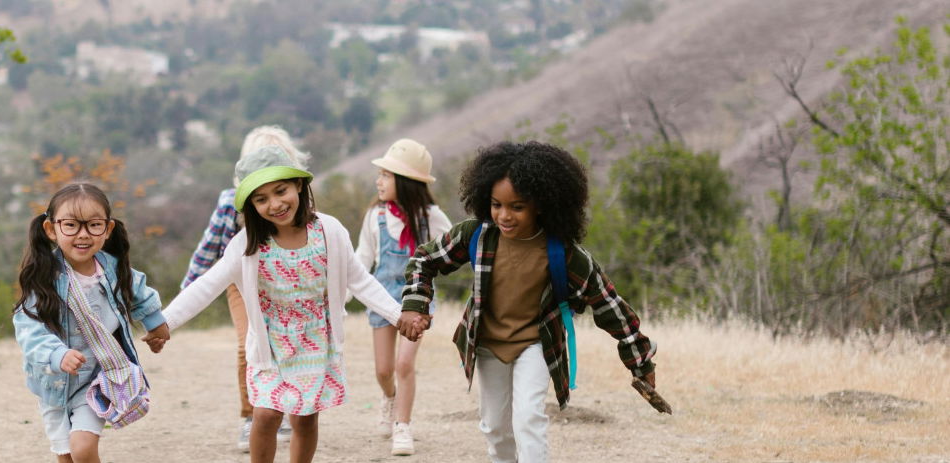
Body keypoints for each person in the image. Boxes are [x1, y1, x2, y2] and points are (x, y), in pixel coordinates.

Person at [397, 141, 658, 463]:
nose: (504, 215)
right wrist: (414, 304)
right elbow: (424, 260)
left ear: (542, 205)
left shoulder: (565, 255)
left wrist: (641, 364)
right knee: (495, 427)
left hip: (535, 345)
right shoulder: (475, 236)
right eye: (496, 205)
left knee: (528, 420)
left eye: (517, 207)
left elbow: (611, 308)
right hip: (489, 344)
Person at [148, 145, 412, 463]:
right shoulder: (246, 246)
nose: (275, 204)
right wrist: (164, 322)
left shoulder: (329, 232)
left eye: (281, 190)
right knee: (266, 414)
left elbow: (361, 281)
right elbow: (206, 286)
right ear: (250, 206)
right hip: (270, 344)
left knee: (304, 418)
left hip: (316, 341)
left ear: (298, 185)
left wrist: (398, 315)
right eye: (261, 199)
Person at [13, 183, 171, 463]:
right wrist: (56, 354)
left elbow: (139, 292)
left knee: (83, 449)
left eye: (94, 225)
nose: (83, 235)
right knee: (65, 456)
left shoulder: (113, 269)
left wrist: (155, 324)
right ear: (51, 229)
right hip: (53, 385)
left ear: (107, 229)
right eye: (71, 225)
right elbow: (28, 327)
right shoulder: (42, 277)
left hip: (97, 378)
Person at [180, 125, 307, 452]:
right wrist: (184, 301)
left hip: (288, 280)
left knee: (292, 344)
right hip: (243, 282)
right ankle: (251, 415)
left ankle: (291, 406)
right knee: (247, 343)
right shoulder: (231, 203)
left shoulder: (296, 199)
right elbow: (207, 252)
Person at [353, 139, 452, 456]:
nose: (378, 181)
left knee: (404, 363)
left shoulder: (432, 217)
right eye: (380, 174)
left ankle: (403, 427)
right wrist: (338, 299)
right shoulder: (375, 217)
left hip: (417, 299)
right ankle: (389, 398)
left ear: (406, 182)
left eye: (386, 175)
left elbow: (453, 249)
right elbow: (361, 260)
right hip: (381, 297)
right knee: (384, 370)